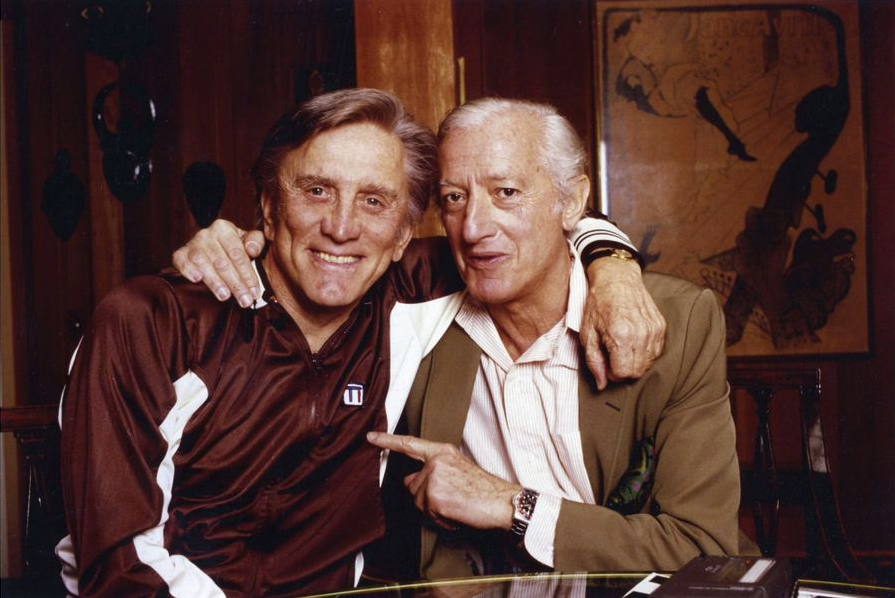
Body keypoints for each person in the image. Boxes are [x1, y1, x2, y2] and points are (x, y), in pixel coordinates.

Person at [58, 89, 663, 597]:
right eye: (316, 191)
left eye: (374, 202)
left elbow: (536, 228)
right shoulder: (149, 323)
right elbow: (117, 569)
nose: (342, 227)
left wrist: (612, 266)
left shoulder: (411, 291)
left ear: (402, 235)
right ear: (268, 207)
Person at [365, 98, 744, 578]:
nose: (474, 228)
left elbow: (702, 549)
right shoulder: (417, 309)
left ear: (571, 201)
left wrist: (512, 506)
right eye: (454, 198)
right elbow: (329, 250)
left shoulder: (679, 321)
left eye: (506, 192)